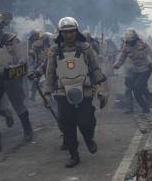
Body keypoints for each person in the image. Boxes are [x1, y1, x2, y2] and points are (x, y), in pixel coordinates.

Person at [44, 17, 107, 167]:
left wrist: (101, 89)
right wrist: (47, 93)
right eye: (65, 32)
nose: (68, 35)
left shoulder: (86, 48)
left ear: (76, 32)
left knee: (86, 121)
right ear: (60, 34)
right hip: (62, 92)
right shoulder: (53, 51)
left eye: (71, 31)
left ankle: (88, 138)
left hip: (85, 90)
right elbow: (50, 73)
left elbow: (94, 68)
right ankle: (74, 155)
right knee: (67, 125)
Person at [0, 12, 33, 152]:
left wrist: (15, 66)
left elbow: (22, 58)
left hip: (10, 78)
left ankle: (28, 130)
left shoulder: (11, 39)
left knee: (18, 105)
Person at [113, 29, 152, 114]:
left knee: (137, 87)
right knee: (135, 90)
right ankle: (145, 108)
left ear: (135, 39)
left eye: (131, 41)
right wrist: (116, 65)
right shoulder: (126, 47)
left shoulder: (143, 44)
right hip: (136, 70)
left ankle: (148, 97)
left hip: (146, 69)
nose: (130, 43)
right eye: (128, 41)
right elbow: (122, 58)